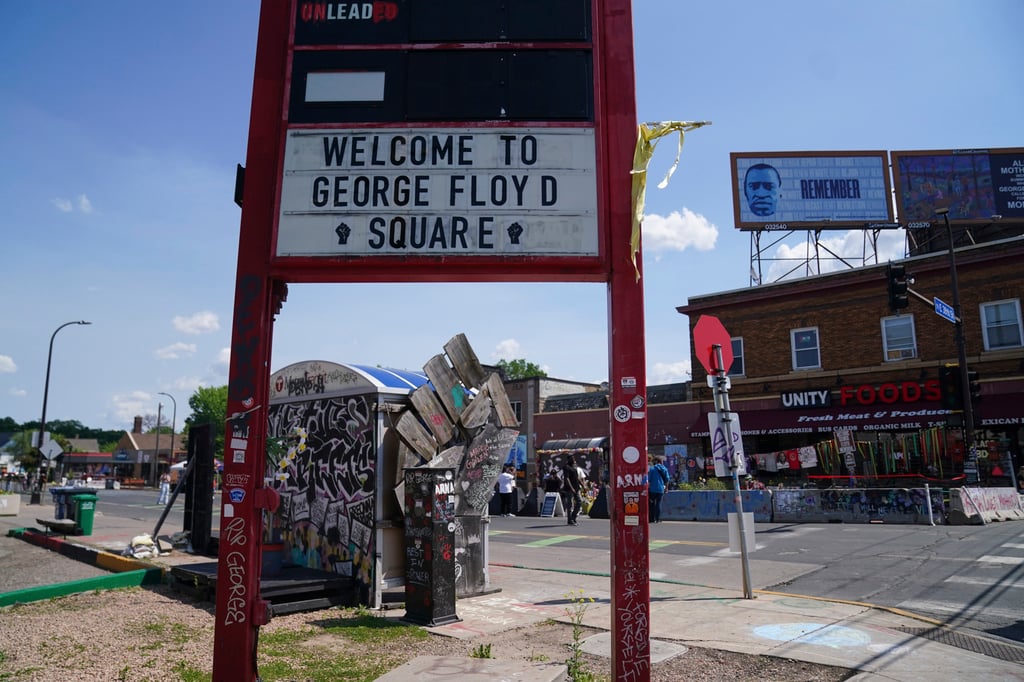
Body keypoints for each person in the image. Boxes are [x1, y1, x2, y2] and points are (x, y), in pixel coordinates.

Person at [561, 455, 583, 526]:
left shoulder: (574, 467)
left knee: (579, 501)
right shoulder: (566, 467)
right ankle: (570, 520)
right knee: (570, 504)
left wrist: (583, 485)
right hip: (569, 488)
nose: (573, 459)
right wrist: (571, 488)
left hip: (576, 487)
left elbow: (577, 477)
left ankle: (573, 517)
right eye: (572, 458)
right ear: (569, 459)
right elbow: (567, 478)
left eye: (574, 458)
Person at [648, 455, 670, 523]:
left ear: (656, 461)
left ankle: (651, 519)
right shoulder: (665, 469)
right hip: (660, 489)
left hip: (652, 490)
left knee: (651, 504)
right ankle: (657, 519)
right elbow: (667, 480)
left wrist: (648, 488)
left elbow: (649, 480)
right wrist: (666, 488)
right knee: (658, 504)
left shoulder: (652, 469)